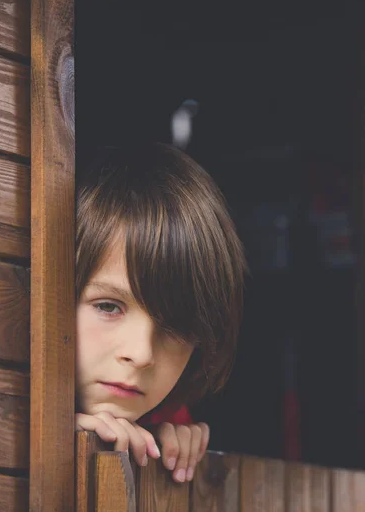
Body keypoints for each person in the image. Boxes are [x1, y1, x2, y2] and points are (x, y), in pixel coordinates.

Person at [75, 143, 246, 483]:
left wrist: (171, 438)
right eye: (108, 306)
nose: (140, 354)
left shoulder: (168, 423)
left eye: (175, 327)